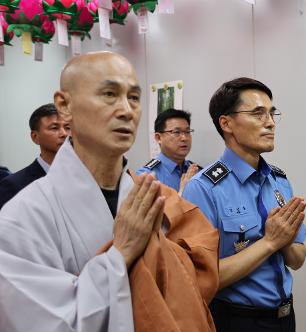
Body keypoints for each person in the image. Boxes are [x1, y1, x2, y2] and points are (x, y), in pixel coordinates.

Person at [0, 51, 218, 331]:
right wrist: (121, 254)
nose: (126, 110)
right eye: (109, 94)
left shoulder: (155, 199)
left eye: (134, 98)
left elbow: (197, 283)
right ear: (64, 105)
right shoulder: (22, 219)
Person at [182, 77, 306, 332]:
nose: (270, 122)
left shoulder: (278, 180)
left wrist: (285, 241)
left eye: (272, 113)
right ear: (226, 123)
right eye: (258, 113)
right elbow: (200, 277)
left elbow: (298, 258)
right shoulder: (204, 188)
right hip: (237, 321)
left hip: (285, 316)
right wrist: (270, 242)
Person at [0, 103, 70, 209]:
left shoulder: (86, 178)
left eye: (68, 127)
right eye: (54, 128)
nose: (64, 133)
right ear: (35, 137)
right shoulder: (14, 185)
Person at [137, 109, 201, 195]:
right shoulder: (147, 176)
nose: (184, 138)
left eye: (187, 132)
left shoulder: (196, 171)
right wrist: (184, 192)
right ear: (158, 138)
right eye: (176, 132)